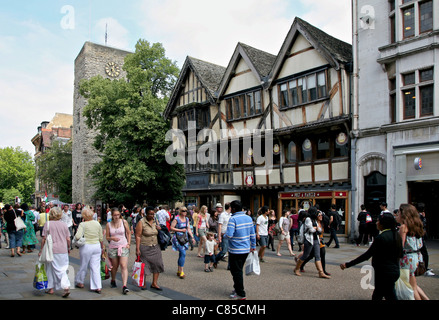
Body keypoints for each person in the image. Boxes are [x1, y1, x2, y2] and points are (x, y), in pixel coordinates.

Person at [340, 212, 403, 300]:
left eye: (378, 221)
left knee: (382, 295)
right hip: (394, 271)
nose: (376, 223)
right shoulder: (396, 235)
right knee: (386, 294)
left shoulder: (381, 238)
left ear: (383, 224)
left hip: (383, 272)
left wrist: (348, 264)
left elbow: (367, 255)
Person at [396, 204, 429, 300]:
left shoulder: (403, 227)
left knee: (410, 287)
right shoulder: (416, 225)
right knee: (413, 285)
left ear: (404, 214)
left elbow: (400, 246)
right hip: (416, 257)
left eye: (398, 213)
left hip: (407, 259)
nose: (397, 215)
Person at [225, 200, 256, 300]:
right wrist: (253, 245)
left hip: (235, 249)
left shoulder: (232, 219)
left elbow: (229, 234)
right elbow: (252, 233)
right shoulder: (248, 218)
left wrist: (222, 235)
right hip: (246, 249)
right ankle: (237, 288)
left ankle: (240, 293)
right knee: (238, 270)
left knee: (236, 271)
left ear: (233, 209)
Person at [39, 207, 71, 298]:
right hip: (63, 249)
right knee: (62, 268)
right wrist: (68, 247)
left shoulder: (48, 224)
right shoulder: (64, 225)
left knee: (51, 268)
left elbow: (44, 239)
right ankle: (51, 287)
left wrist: (41, 250)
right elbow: (68, 238)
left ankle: (64, 286)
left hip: (51, 249)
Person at [74, 207, 104, 294]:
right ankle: (97, 286)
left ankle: (80, 281)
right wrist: (102, 248)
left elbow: (77, 236)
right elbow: (101, 237)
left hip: (86, 246)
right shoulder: (97, 223)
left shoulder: (82, 224)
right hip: (96, 246)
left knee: (83, 264)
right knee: (95, 266)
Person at [294, 206, 330, 279]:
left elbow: (319, 230)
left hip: (316, 239)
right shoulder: (308, 219)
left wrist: (316, 228)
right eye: (316, 212)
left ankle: (321, 272)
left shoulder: (314, 220)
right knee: (305, 255)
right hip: (309, 240)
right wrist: (315, 228)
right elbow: (311, 230)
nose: (317, 213)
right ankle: (297, 269)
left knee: (317, 255)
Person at [135, 206, 164, 291]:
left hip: (155, 246)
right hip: (144, 246)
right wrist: (137, 249)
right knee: (144, 266)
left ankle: (154, 283)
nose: (152, 215)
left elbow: (158, 231)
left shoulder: (155, 221)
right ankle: (143, 283)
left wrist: (159, 228)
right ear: (146, 214)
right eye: (150, 214)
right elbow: (138, 236)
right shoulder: (141, 222)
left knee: (158, 264)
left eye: (153, 214)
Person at [106, 207, 131, 294]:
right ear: (112, 216)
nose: (116, 217)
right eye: (115, 215)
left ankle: (124, 285)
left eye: (118, 215)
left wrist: (128, 243)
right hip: (113, 247)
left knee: (123, 265)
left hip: (123, 245)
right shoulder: (108, 224)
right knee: (115, 266)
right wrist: (111, 238)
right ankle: (113, 279)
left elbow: (128, 232)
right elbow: (107, 237)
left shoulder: (124, 222)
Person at [171, 206, 195, 279]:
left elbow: (188, 229)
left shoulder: (187, 219)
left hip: (184, 238)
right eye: (183, 211)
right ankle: (181, 271)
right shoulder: (176, 219)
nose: (185, 212)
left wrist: (192, 237)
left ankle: (179, 270)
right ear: (180, 212)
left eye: (186, 211)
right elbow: (171, 228)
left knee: (181, 254)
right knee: (183, 253)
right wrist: (180, 230)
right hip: (178, 238)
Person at [416, 203, 433, 276]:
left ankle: (423, 267)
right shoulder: (421, 217)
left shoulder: (418, 217)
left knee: (422, 252)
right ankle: (424, 267)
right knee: (423, 253)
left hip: (419, 237)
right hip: (420, 237)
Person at [214, 202, 231, 268]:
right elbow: (220, 225)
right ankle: (215, 260)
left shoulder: (231, 215)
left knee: (230, 251)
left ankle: (229, 266)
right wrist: (219, 236)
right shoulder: (223, 215)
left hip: (230, 234)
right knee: (224, 251)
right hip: (224, 234)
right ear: (229, 207)